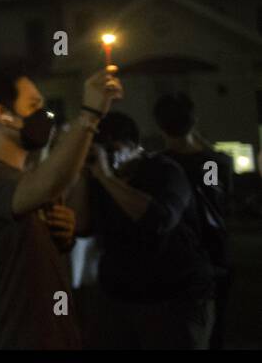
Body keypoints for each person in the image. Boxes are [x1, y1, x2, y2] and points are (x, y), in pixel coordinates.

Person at [0, 64, 121, 349]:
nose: (44, 115)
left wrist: (64, 234)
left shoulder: (26, 181)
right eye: (34, 105)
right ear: (3, 114)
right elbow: (47, 185)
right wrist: (89, 116)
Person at [72, 111, 216, 349]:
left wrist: (107, 178)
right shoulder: (99, 178)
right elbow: (81, 226)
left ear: (134, 146)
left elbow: (159, 220)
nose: (107, 157)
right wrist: (81, 174)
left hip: (172, 299)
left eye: (113, 148)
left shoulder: (165, 172)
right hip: (119, 299)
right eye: (101, 150)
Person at [153, 92, 232, 348]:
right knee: (216, 329)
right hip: (217, 253)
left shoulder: (160, 165)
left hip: (176, 260)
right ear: (194, 119)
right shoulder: (217, 161)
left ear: (159, 124)